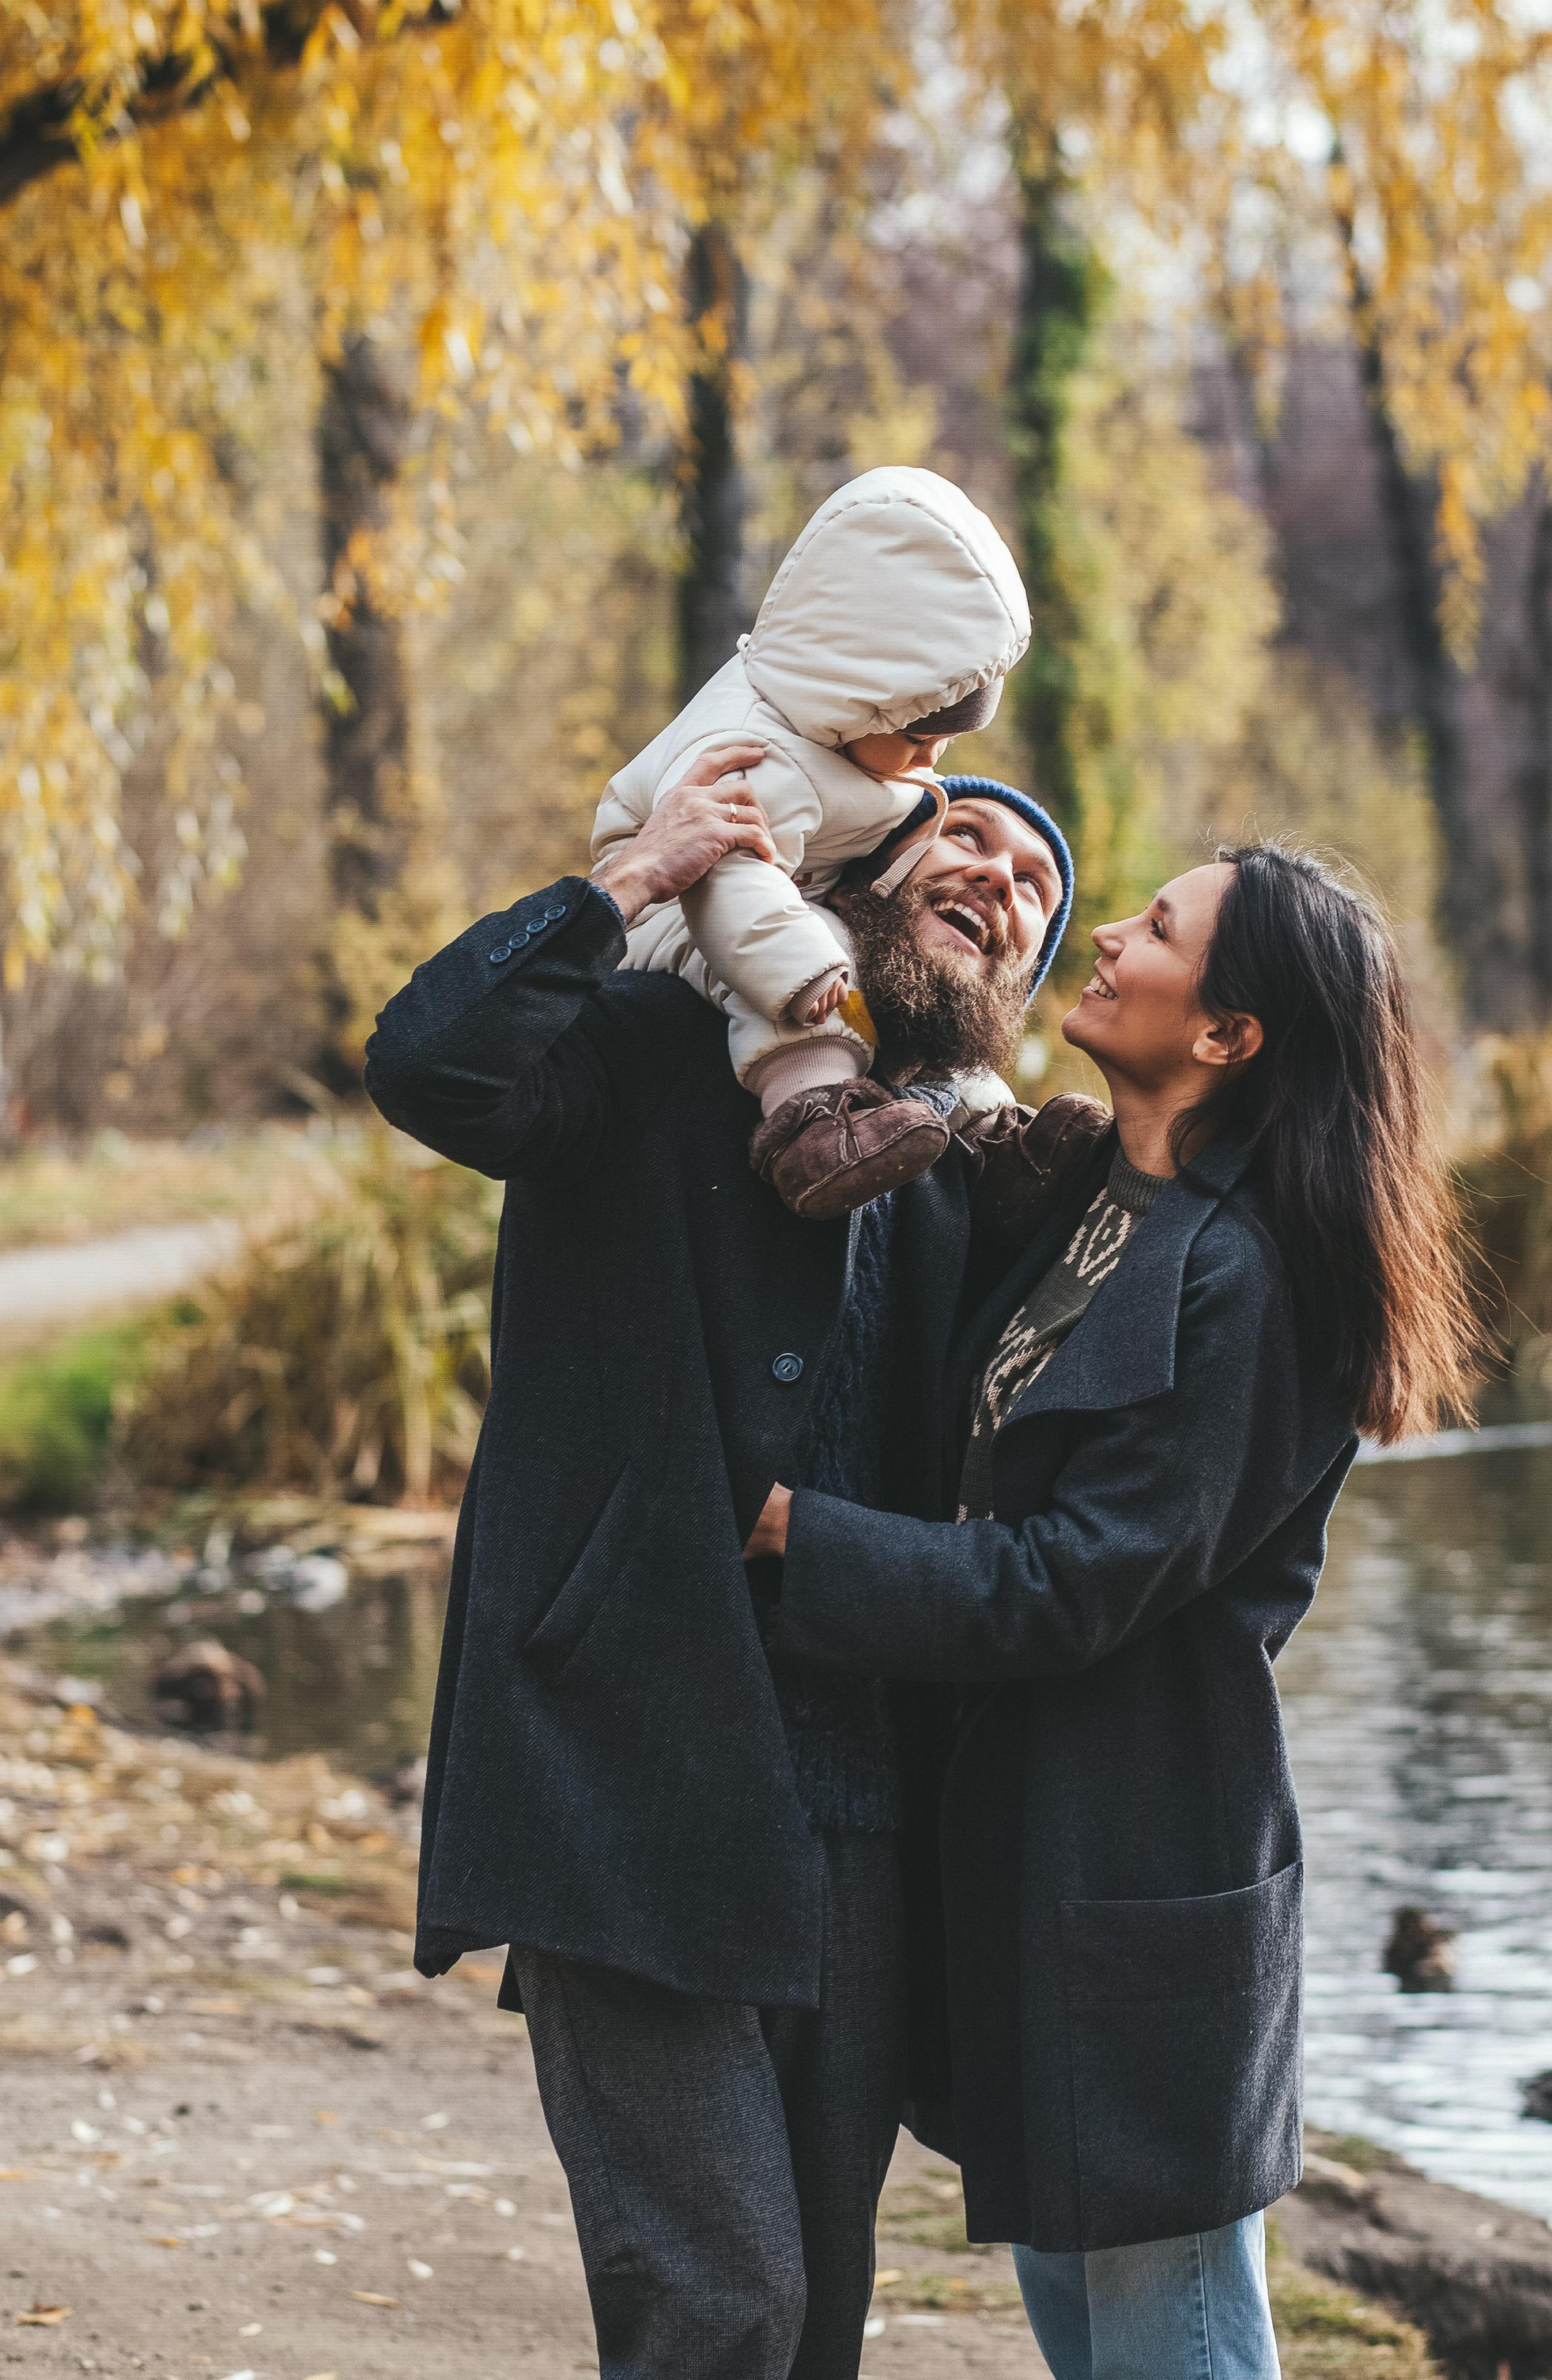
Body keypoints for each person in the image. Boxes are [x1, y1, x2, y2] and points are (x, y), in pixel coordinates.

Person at [362, 746, 1078, 2380]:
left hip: (865, 1821)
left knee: (811, 2326)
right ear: (850, 869)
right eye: (962, 841)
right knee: (717, 2304)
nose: (1000, 881)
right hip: (617, 1775)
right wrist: (625, 878)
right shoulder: (653, 1053)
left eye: (1037, 891)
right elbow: (429, 1067)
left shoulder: (974, 1180)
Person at [743, 843, 1478, 2380]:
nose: (1115, 940)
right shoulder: (1105, 1205)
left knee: (1172, 2349)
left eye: (1157, 930)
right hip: (1036, 1895)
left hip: (1140, 1896)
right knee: (1100, 2342)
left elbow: (1067, 1582)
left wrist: (805, 1540)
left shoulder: (1253, 1279)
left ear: (1225, 1035)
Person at [592, 467, 1033, 1216]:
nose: (931, 761)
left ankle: (994, 1134)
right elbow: (722, 870)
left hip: (763, 895)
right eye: (918, 735)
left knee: (891, 984)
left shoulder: (821, 724)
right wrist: (801, 967)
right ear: (861, 698)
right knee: (823, 969)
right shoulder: (758, 752)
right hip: (674, 907)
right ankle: (814, 1131)